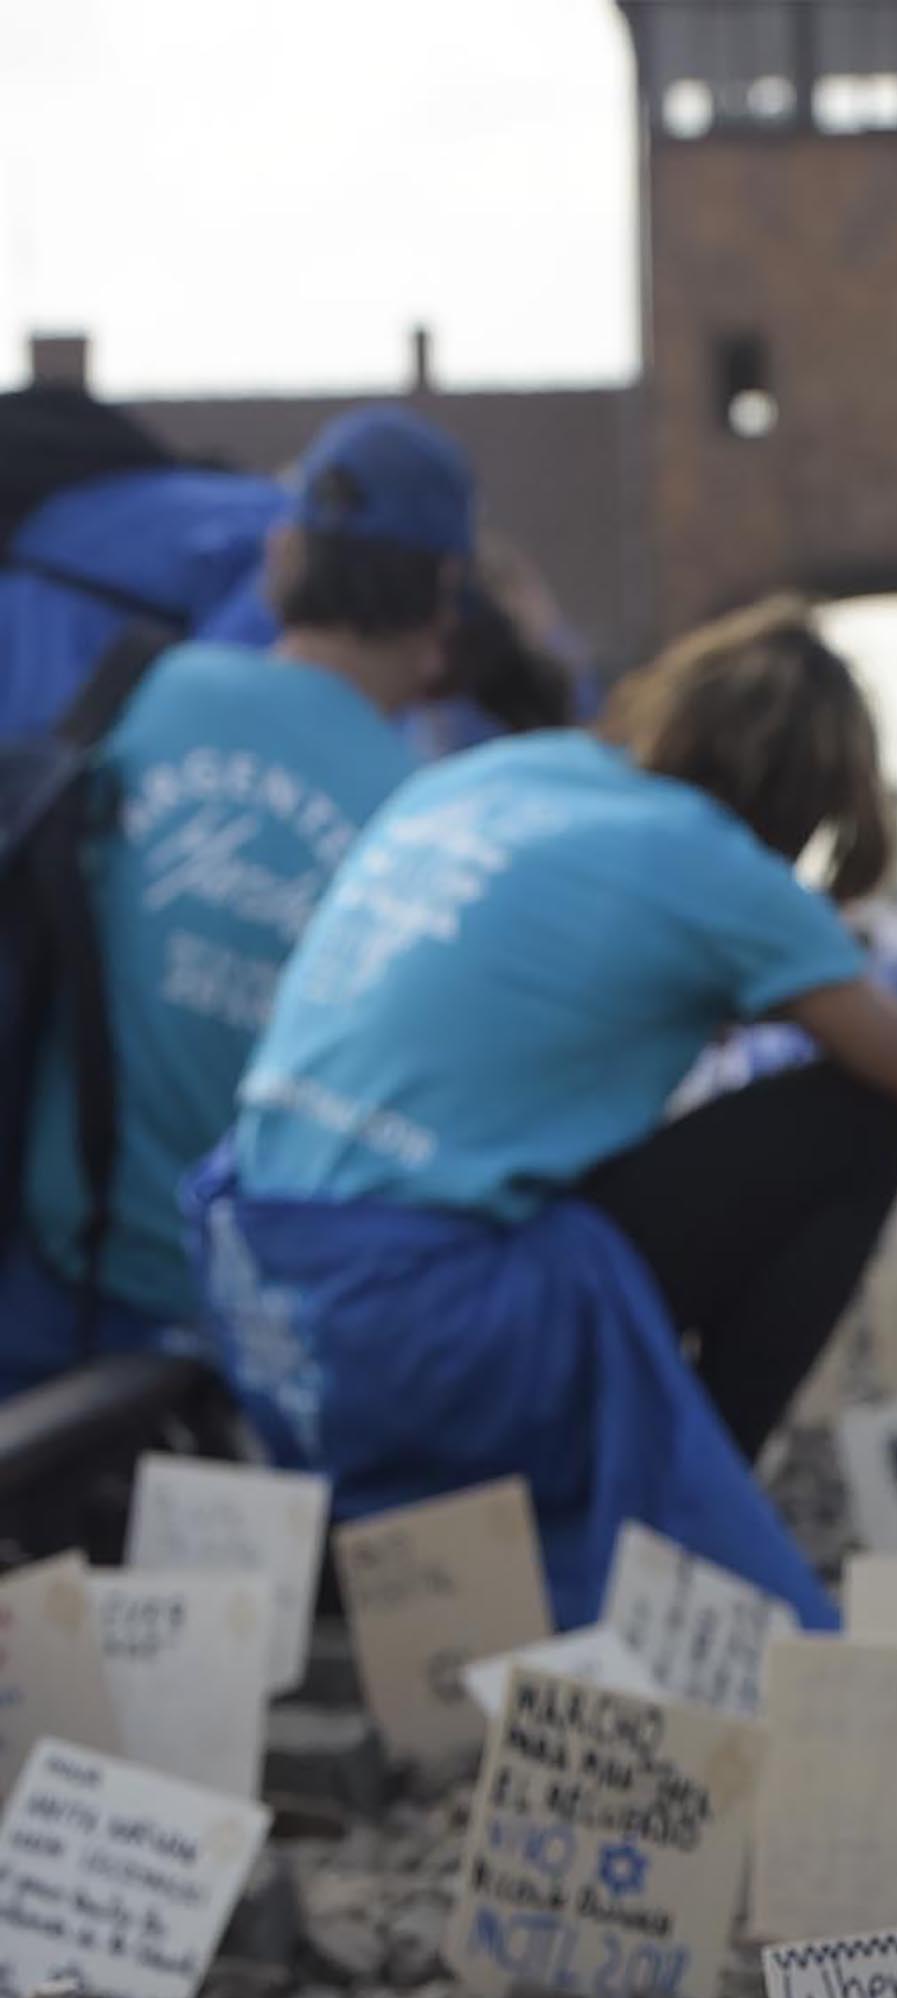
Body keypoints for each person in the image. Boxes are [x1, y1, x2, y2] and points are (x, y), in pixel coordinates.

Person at [190, 599, 897, 1628]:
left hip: (259, 1295)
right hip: (416, 1326)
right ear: (809, 802)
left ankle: (437, 1530)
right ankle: (674, 1532)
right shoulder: (722, 867)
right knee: (849, 1123)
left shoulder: (490, 776)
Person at [0, 405, 475, 1393]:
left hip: (57, 1275)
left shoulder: (139, 697)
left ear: (281, 556)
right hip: (258, 1342)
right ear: (442, 602)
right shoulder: (422, 827)